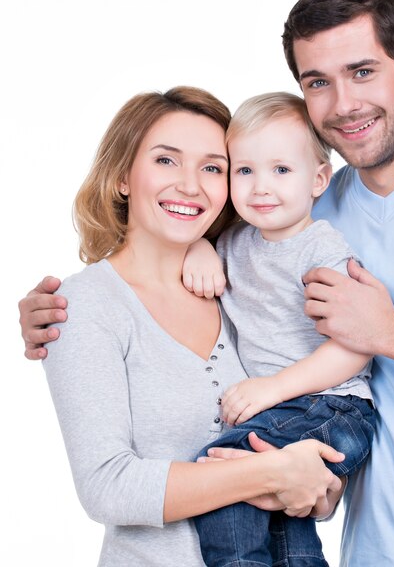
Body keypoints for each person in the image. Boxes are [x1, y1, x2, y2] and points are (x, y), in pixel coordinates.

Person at [18, 0, 394, 567]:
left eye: (363, 71)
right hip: (371, 550)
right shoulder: (309, 206)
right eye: (318, 81)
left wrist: (390, 334)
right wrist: (161, 263)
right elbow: (196, 233)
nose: (344, 103)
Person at [29, 86, 344, 567]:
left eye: (213, 167)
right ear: (122, 177)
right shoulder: (86, 304)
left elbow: (303, 446)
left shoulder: (240, 284)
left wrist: (317, 490)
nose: (192, 185)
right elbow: (107, 488)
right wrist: (274, 471)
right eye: (166, 161)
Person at [186, 91, 374, 567]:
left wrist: (272, 389)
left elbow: (355, 348)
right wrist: (199, 249)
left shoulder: (322, 249)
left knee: (222, 470)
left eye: (281, 170)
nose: (260, 187)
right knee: (283, 521)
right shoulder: (233, 242)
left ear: (318, 179)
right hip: (289, 413)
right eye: (244, 171)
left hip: (337, 409)